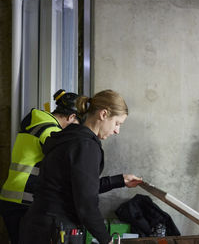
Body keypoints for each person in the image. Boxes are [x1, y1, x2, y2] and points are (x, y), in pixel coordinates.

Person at [19, 89, 143, 244]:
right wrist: (107, 240)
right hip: (56, 231)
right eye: (117, 123)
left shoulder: (71, 136)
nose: (117, 130)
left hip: (38, 225)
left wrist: (120, 180)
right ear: (103, 114)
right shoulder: (86, 146)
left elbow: (78, 187)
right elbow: (86, 203)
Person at [0, 89, 80, 244]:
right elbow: (66, 164)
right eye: (76, 125)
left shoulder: (39, 122)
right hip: (23, 200)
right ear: (71, 117)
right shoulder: (51, 131)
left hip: (13, 197)